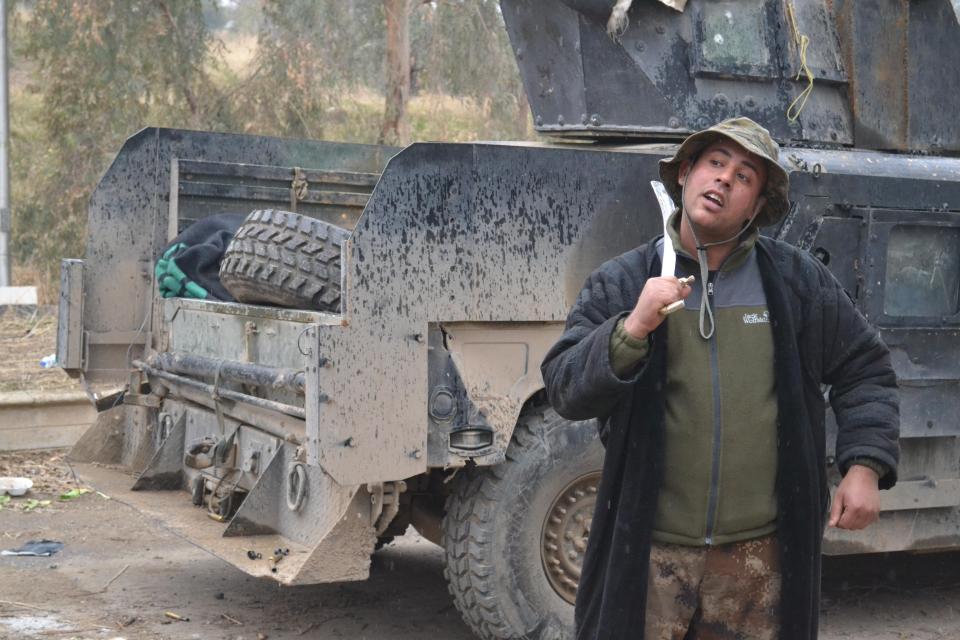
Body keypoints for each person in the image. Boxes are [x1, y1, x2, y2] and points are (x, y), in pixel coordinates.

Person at [541, 117, 899, 640]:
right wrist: (633, 327)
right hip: (649, 554)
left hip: (760, 564)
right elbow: (564, 388)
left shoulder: (795, 283)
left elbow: (864, 367)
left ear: (756, 206)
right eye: (714, 163)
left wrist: (865, 465)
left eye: (745, 175)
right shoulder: (624, 281)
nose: (725, 180)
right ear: (685, 174)